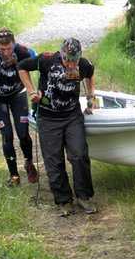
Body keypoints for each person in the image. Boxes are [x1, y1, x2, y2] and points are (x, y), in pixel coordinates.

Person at [17, 37, 98, 215]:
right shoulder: (46, 60)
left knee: (79, 155)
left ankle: (84, 198)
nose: (70, 65)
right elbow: (21, 67)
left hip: (72, 116)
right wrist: (32, 90)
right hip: (48, 117)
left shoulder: (83, 65)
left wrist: (91, 99)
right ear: (61, 55)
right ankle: (64, 200)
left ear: (79, 57)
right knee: (54, 160)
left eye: (74, 61)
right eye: (67, 60)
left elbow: (90, 76)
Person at [0, 29, 39, 187]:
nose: (6, 52)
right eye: (2, 49)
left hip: (18, 95)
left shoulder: (23, 51)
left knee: (23, 134)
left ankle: (29, 164)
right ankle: (14, 174)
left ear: (14, 44)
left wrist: (35, 90)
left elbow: (41, 65)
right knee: (7, 136)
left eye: (9, 48)